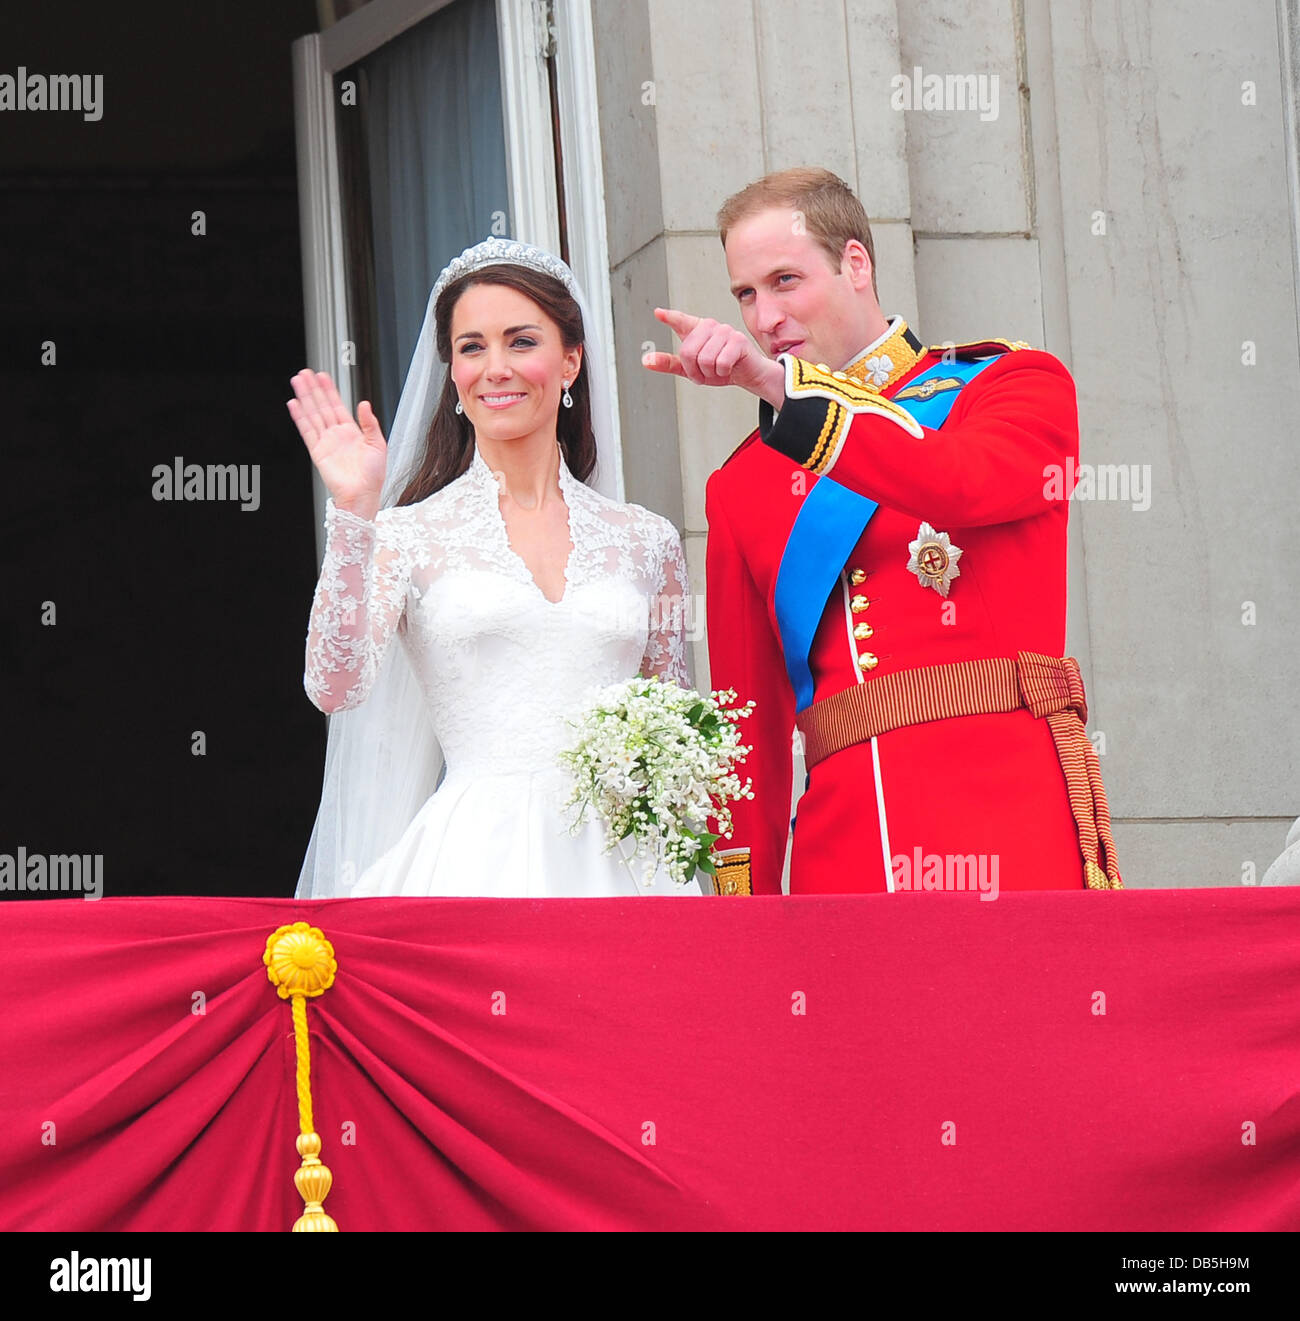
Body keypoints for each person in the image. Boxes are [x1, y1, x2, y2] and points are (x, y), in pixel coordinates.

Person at [645, 167, 1123, 897]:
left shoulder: (1010, 384)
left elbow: (958, 480)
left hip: (1009, 817)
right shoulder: (741, 485)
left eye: (785, 280)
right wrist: (748, 912)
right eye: (746, 293)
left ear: (856, 264)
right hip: (845, 848)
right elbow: (750, 730)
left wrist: (785, 392)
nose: (765, 317)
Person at [291, 238, 702, 898]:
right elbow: (334, 686)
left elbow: (673, 727)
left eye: (521, 341)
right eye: (472, 347)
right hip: (469, 865)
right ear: (452, 373)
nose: (496, 367)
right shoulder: (407, 533)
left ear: (570, 361)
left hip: (624, 870)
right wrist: (354, 515)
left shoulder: (647, 541)